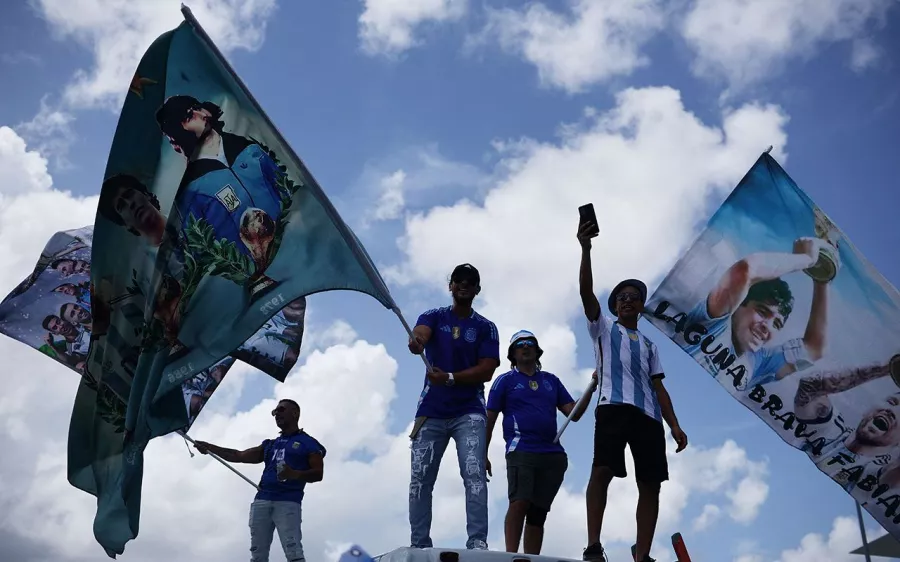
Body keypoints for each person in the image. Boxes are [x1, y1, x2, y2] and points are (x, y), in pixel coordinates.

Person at [577, 220, 688, 562]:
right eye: (622, 297)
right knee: (603, 470)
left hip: (649, 417)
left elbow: (660, 387)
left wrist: (675, 425)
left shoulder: (651, 345)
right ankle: (593, 545)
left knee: (651, 484)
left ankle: (642, 556)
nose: (628, 301)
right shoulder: (603, 327)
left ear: (641, 306)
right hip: (613, 406)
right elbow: (585, 293)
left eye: (634, 298)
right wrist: (586, 248)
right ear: (614, 305)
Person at [406, 263, 501, 550]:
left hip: (469, 411)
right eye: (459, 280)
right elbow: (420, 334)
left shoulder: (486, 327)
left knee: (473, 474)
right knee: (420, 478)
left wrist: (449, 378)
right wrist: (417, 341)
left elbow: (487, 370)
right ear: (451, 285)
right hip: (431, 410)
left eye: (470, 282)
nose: (464, 285)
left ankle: (477, 541)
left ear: (477, 289)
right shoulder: (433, 316)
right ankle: (419, 543)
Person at [486, 329, 594, 554]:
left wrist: (592, 387)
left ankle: (531, 559)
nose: (525, 346)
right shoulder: (504, 381)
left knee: (538, 511)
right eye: (519, 344)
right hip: (521, 449)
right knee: (520, 502)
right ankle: (512, 556)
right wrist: (481, 453)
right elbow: (490, 418)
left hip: (552, 454)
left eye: (529, 343)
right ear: (512, 354)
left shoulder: (551, 381)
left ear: (537, 351)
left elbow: (573, 413)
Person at [193, 399, 325, 562]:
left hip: (288, 502)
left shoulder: (308, 443)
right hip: (262, 500)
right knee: (257, 555)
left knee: (293, 552)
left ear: (295, 413)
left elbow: (318, 474)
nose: (277, 414)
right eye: (274, 412)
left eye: (281, 410)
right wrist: (210, 448)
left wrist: (294, 474)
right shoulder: (271, 445)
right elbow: (239, 455)